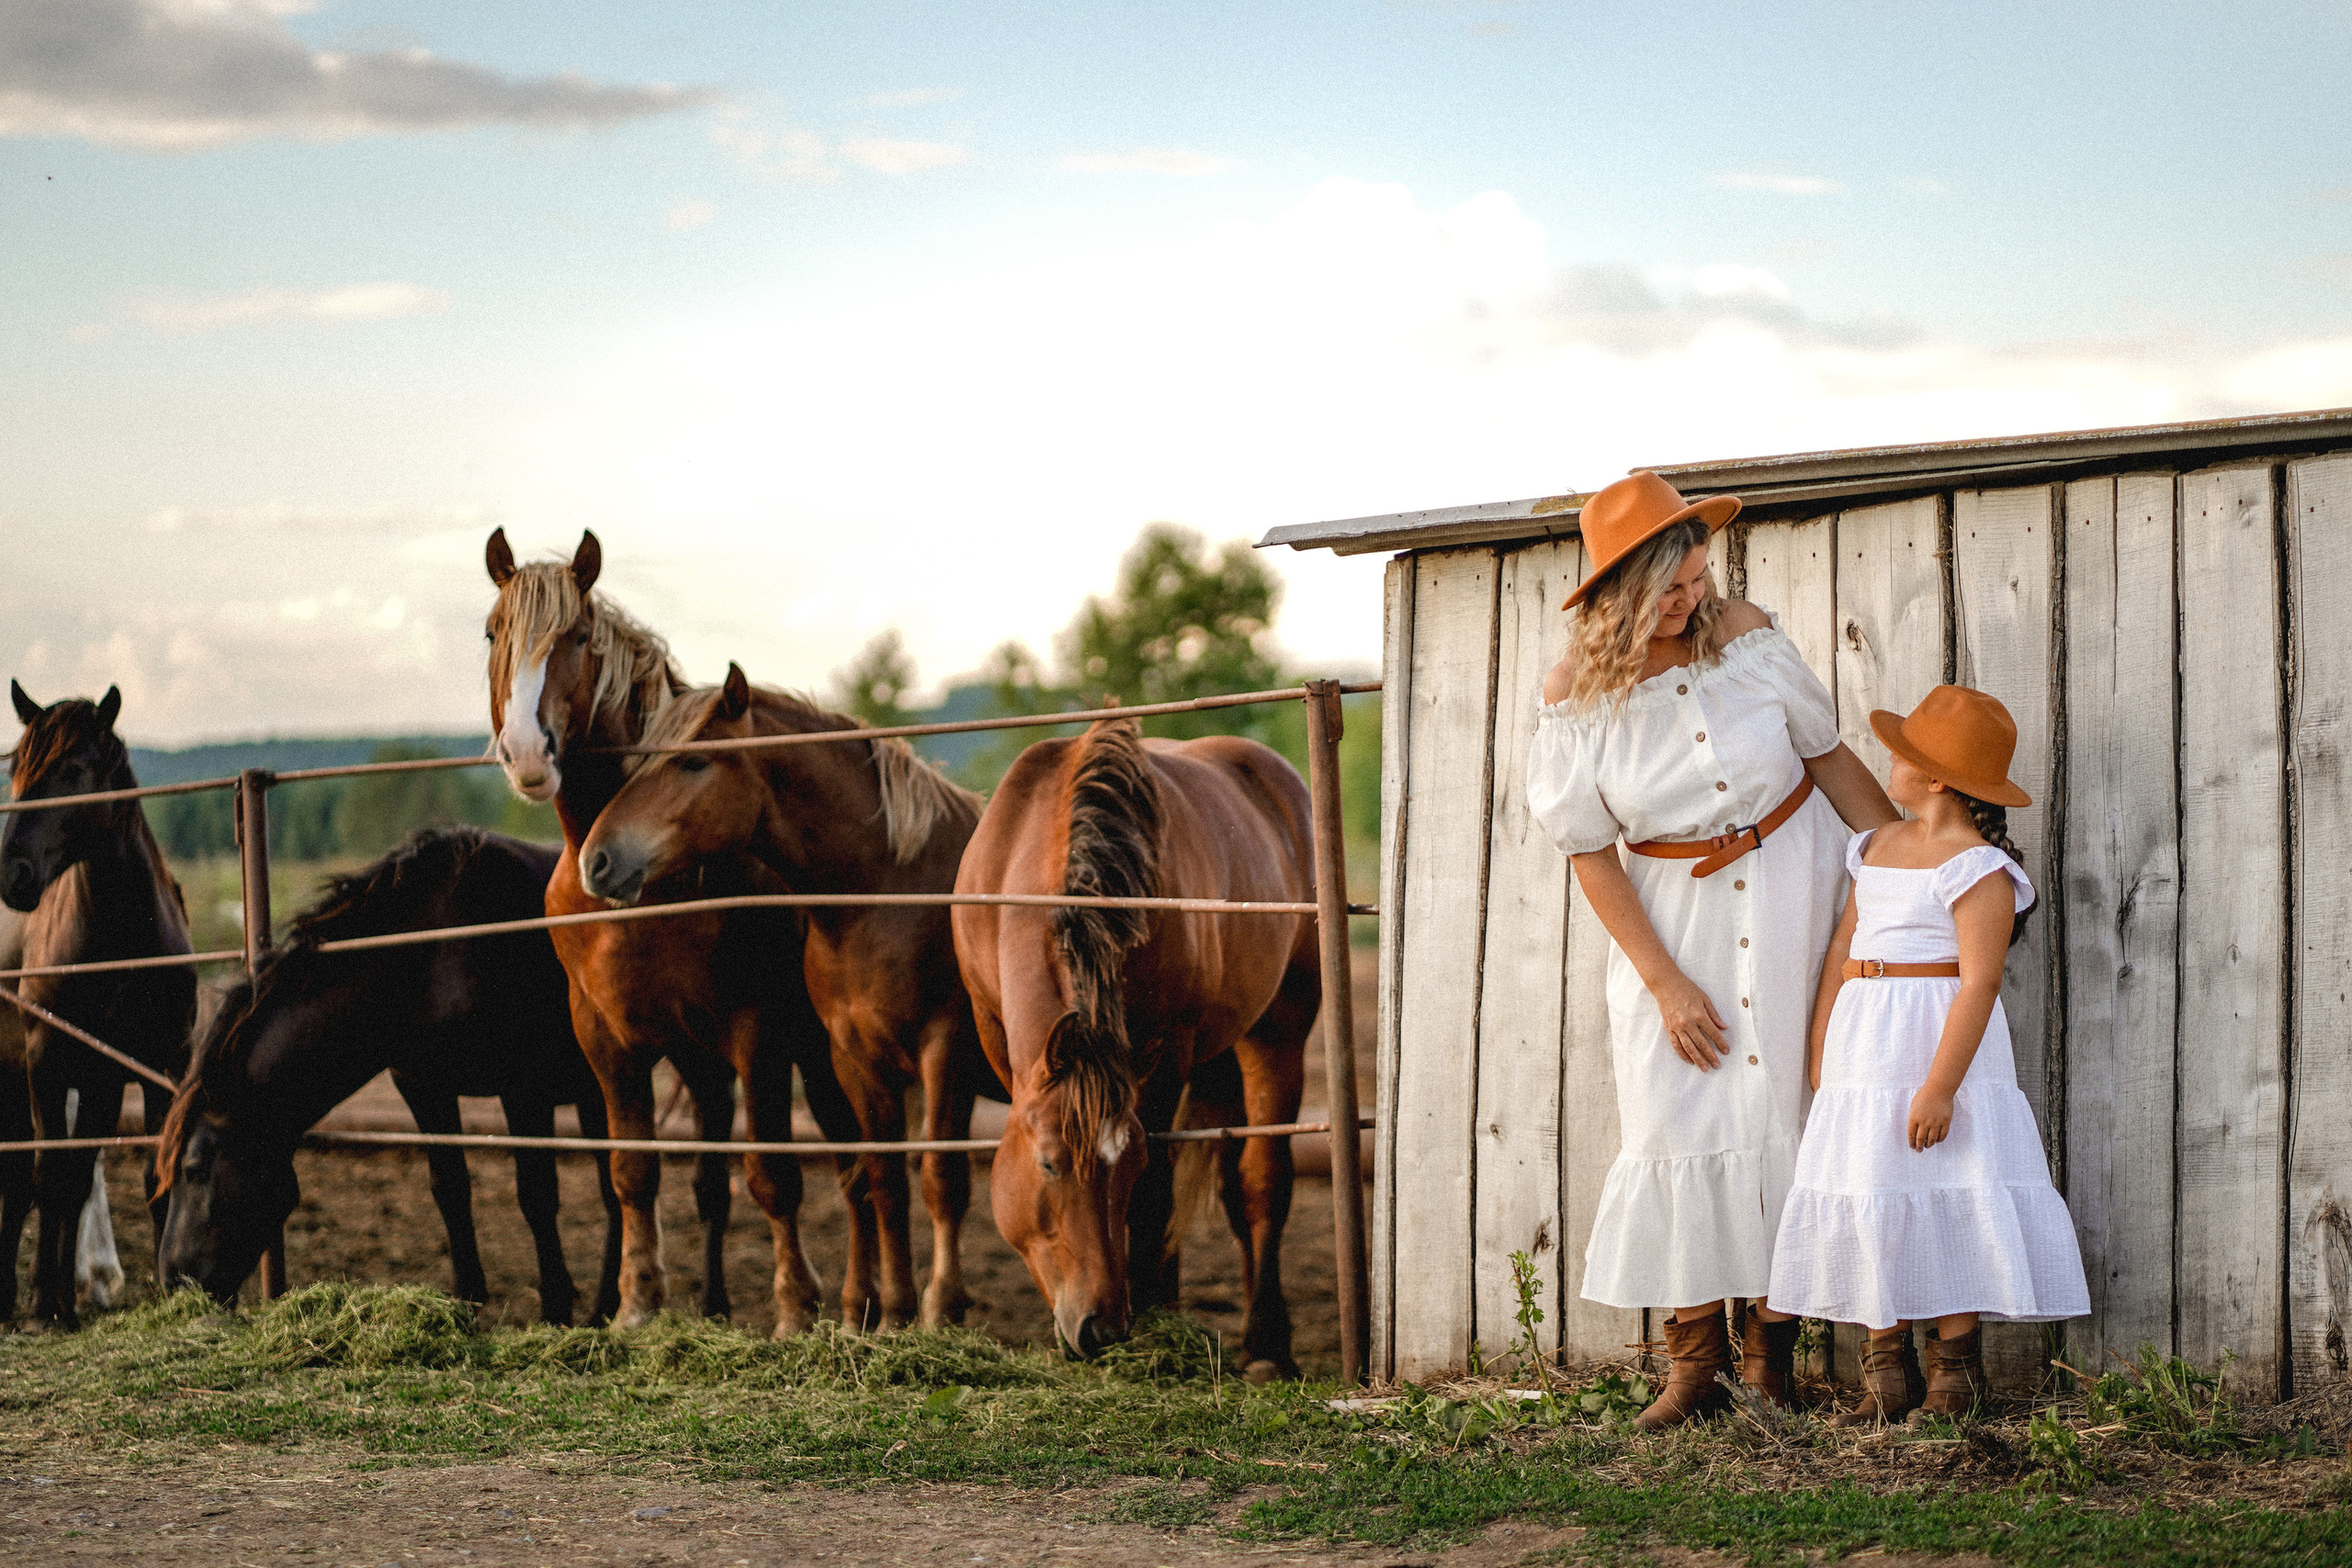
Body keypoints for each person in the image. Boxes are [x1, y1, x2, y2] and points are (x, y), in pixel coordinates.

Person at [1527, 471, 1899, 1429]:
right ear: (1616, 591)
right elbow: (1585, 850)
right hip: (1671, 923)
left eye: (1696, 579)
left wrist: (1908, 870)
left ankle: (1770, 1362)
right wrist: (1662, 982)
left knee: (1789, 1111)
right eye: (1670, 589)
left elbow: (1824, 753)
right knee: (1678, 1115)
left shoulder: (1743, 635)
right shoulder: (1575, 691)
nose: (1690, 602)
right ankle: (1695, 1368)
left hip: (1791, 889)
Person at [1765, 685, 2089, 1425]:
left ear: (1936, 778)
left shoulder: (1977, 868)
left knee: (1951, 1187)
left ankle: (1955, 1371)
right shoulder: (1876, 845)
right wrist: (1822, 1044)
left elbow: (1979, 981)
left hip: (1938, 1047)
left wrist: (1942, 1087)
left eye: (1901, 755)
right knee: (1871, 1183)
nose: (1889, 765)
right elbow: (1844, 949)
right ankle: (1886, 1368)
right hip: (1864, 1047)